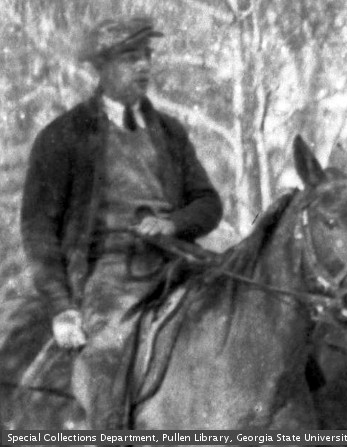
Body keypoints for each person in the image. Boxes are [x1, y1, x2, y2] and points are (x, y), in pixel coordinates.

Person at [20, 16, 223, 429]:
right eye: (131, 57)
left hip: (178, 262)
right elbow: (39, 232)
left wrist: (173, 223)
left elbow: (209, 203)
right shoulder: (64, 136)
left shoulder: (170, 133)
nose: (143, 65)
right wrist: (62, 309)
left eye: (147, 55)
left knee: (255, 312)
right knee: (107, 358)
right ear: (102, 67)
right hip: (109, 273)